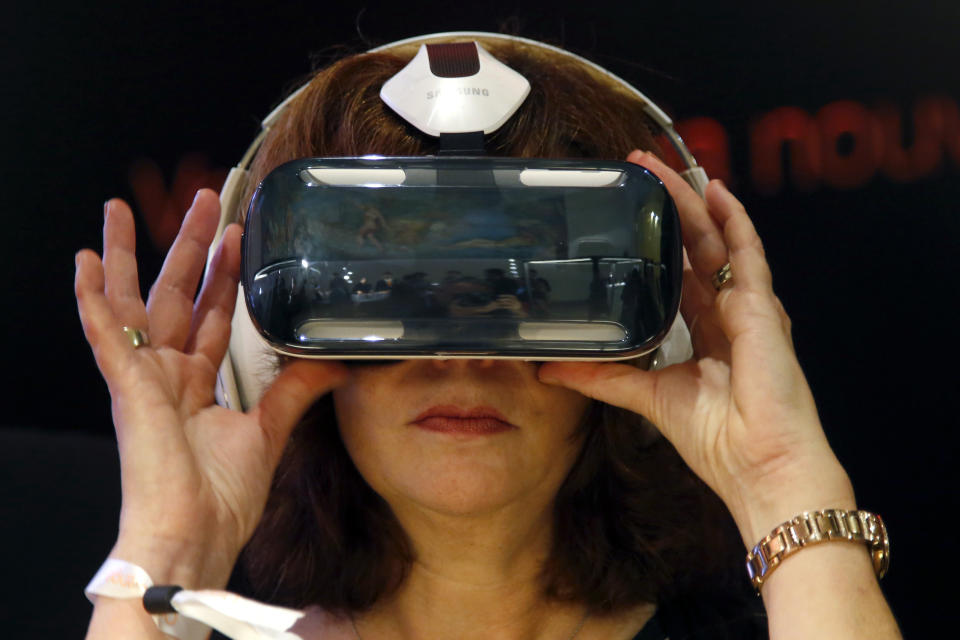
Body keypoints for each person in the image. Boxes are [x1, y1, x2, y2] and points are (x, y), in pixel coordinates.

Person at [75, 34, 901, 640]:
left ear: (649, 339)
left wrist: (784, 485)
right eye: (399, 286)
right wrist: (166, 550)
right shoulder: (190, 624)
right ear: (269, 355)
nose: (463, 354)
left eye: (520, 286)